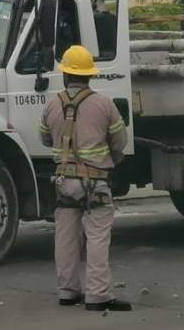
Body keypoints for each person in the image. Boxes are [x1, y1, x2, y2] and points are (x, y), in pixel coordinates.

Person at [39, 45, 131, 311]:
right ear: (90, 76)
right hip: (95, 181)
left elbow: (44, 137)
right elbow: (119, 141)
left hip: (63, 182)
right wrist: (114, 156)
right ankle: (98, 295)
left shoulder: (51, 104)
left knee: (66, 237)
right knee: (98, 238)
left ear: (66, 75)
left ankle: (67, 291)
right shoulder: (104, 104)